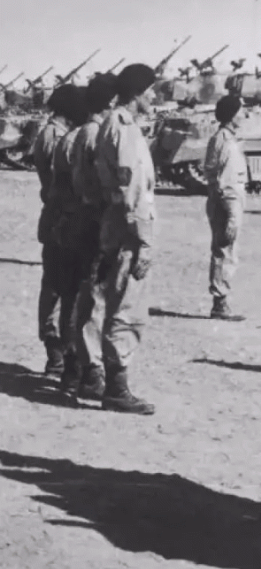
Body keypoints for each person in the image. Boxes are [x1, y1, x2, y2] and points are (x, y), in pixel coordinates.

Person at [95, 63, 157, 415]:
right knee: (126, 309)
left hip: (118, 226)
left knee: (119, 304)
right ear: (137, 93)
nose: (154, 96)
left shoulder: (116, 124)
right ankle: (116, 389)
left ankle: (113, 384)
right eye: (151, 90)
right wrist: (144, 240)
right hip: (128, 233)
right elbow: (133, 190)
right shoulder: (125, 129)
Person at [70, 73, 118, 400]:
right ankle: (91, 371)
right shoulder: (93, 133)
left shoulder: (88, 131)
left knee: (95, 294)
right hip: (95, 220)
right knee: (94, 296)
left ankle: (86, 365)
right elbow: (90, 183)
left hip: (92, 218)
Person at [33, 84, 84, 377]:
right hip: (59, 218)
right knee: (55, 289)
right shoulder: (55, 136)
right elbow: (60, 183)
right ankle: (56, 354)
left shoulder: (59, 133)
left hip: (59, 216)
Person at [203, 94, 248, 320]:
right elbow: (226, 181)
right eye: (241, 111)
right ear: (232, 115)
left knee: (225, 250)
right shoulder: (226, 142)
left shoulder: (223, 138)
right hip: (228, 201)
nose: (245, 115)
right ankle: (220, 302)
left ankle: (220, 299)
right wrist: (232, 216)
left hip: (224, 199)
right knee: (225, 251)